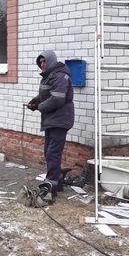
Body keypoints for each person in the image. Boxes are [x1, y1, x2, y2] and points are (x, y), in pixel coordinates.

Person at [27, 50, 74, 204]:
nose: (42, 64)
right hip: (52, 120)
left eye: (44, 61)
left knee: (53, 153)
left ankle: (50, 187)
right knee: (49, 152)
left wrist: (40, 107)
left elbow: (57, 99)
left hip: (60, 120)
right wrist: (35, 102)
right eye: (40, 62)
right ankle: (58, 180)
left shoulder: (60, 76)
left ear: (51, 60)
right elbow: (45, 96)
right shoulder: (49, 76)